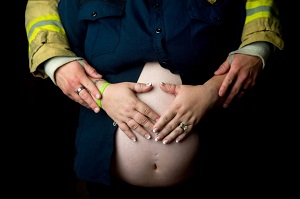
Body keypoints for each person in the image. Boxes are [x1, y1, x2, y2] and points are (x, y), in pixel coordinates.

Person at [25, 0, 284, 196]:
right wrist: (100, 92)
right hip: (107, 177)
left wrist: (210, 93)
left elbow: (249, 32)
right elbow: (57, 34)